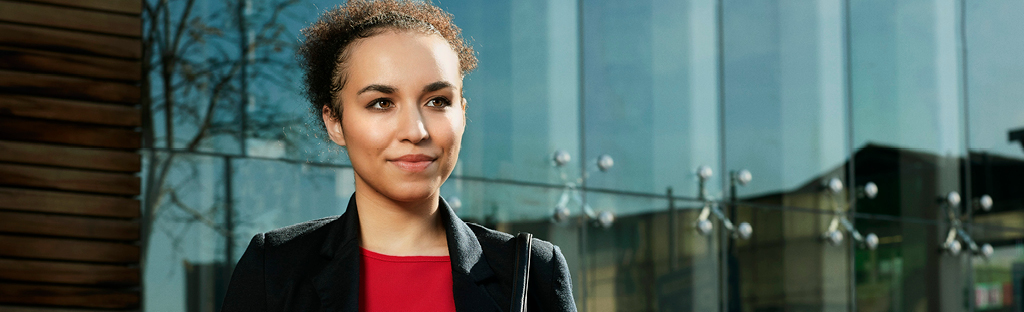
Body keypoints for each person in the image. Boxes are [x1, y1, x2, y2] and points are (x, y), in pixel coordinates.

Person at [220, 1, 577, 311]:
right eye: (381, 103)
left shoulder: (530, 272)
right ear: (334, 122)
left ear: (463, 114)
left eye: (438, 101)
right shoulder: (276, 268)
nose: (416, 131)